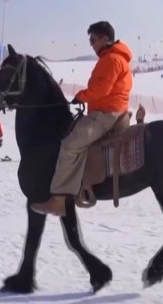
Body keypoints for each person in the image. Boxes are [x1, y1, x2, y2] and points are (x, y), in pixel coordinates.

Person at [30, 21, 133, 217]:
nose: (92, 44)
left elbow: (102, 90)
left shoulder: (111, 59)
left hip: (106, 114)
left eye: (93, 40)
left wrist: (81, 96)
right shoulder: (117, 58)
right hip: (110, 110)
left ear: (104, 38)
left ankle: (58, 201)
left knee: (69, 145)